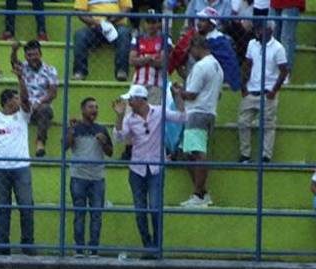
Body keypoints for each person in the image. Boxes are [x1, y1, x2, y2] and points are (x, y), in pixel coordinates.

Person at [113, 83, 185, 257]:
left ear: (140, 99)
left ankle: (155, 246)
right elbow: (119, 137)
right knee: (140, 211)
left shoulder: (159, 112)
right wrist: (120, 117)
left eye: (131, 99)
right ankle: (149, 246)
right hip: (137, 169)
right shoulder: (130, 119)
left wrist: (178, 98)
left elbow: (182, 117)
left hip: (155, 167)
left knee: (154, 208)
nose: (129, 102)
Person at [0, 65, 35, 255]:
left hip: (21, 167)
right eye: (15, 98)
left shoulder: (23, 116)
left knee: (26, 206)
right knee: (3, 208)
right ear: (7, 101)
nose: (19, 100)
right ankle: (2, 245)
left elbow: (26, 100)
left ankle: (28, 245)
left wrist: (21, 79)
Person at [177, 36, 223, 207]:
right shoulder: (217, 66)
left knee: (196, 152)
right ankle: (201, 193)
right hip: (210, 111)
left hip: (197, 112)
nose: (190, 54)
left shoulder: (201, 66)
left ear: (198, 47)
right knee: (187, 153)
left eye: (191, 50)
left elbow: (192, 93)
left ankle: (199, 194)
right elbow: (218, 94)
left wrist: (179, 91)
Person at [238, 20, 289, 165]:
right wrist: (243, 86)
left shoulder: (278, 48)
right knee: (243, 122)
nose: (258, 32)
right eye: (257, 30)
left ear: (270, 31)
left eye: (261, 30)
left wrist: (274, 90)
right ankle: (245, 154)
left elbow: (284, 70)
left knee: (268, 125)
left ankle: (266, 156)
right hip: (252, 89)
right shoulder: (252, 44)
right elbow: (247, 64)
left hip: (267, 91)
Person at [67, 96, 112, 255]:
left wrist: (104, 141)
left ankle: (93, 251)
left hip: (97, 178)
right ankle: (79, 250)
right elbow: (65, 146)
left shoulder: (102, 129)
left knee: (96, 215)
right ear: (83, 109)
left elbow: (110, 152)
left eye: (96, 107)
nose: (94, 110)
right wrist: (71, 130)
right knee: (79, 215)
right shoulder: (75, 128)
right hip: (78, 177)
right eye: (91, 107)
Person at [15, 39, 58, 157]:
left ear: (41, 54)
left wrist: (38, 102)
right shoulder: (23, 67)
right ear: (25, 56)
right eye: (29, 55)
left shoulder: (50, 70)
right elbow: (14, 62)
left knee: (46, 110)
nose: (33, 58)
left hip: (40, 106)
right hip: (24, 105)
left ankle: (40, 143)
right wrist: (14, 51)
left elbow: (53, 93)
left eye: (35, 54)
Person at [72, 0, 133, 82]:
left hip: (116, 24)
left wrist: (111, 20)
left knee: (124, 33)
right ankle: (79, 72)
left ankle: (121, 71)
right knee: (80, 35)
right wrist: (96, 23)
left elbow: (126, 8)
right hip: (94, 26)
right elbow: (80, 12)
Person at [129, 15, 170, 104]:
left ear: (159, 24)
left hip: (156, 84)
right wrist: (150, 58)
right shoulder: (137, 38)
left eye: (154, 23)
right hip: (138, 83)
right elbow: (132, 60)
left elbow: (162, 62)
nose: (151, 25)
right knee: (132, 113)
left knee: (152, 113)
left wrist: (142, 59)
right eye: (148, 23)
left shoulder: (164, 39)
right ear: (145, 24)